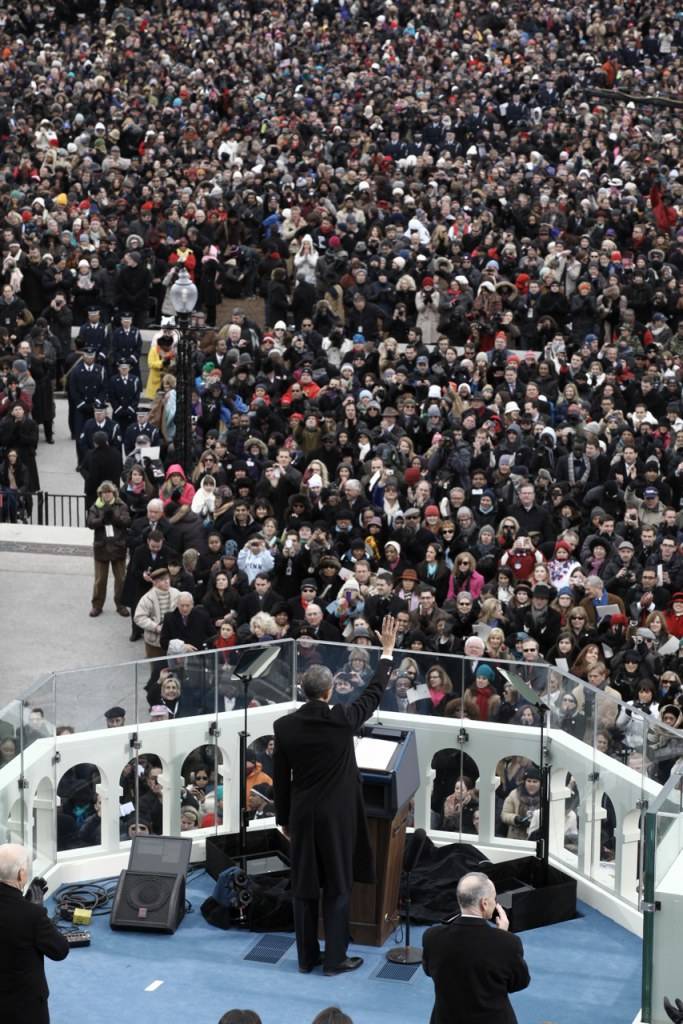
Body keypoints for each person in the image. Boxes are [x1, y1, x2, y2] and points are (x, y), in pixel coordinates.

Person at [273, 615, 399, 976]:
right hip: (338, 818)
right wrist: (386, 652)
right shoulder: (342, 718)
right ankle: (335, 959)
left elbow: (281, 778)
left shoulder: (284, 726)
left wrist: (284, 819)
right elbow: (373, 694)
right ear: (329, 692)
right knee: (338, 886)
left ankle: (306, 958)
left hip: (302, 815)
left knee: (304, 888)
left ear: (304, 690)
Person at [422, 871, 530, 1024]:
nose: (495, 903)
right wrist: (502, 936)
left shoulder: (432, 936)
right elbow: (519, 983)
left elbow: (429, 971)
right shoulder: (508, 943)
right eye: (494, 899)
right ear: (484, 903)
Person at [0, 842, 70, 1024]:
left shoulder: (29, 913)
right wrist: (38, 912)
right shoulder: (32, 915)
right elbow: (59, 950)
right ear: (21, 874)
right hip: (24, 1008)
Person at [85, 480, 131, 618]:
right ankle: (97, 605)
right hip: (102, 546)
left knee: (121, 579)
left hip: (118, 546)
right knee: (100, 580)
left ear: (113, 493)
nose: (106, 494)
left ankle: (121, 604)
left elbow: (127, 521)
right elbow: (90, 523)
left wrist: (114, 518)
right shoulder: (95, 506)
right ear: (100, 494)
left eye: (109, 492)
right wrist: (102, 520)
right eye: (104, 492)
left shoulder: (121, 505)